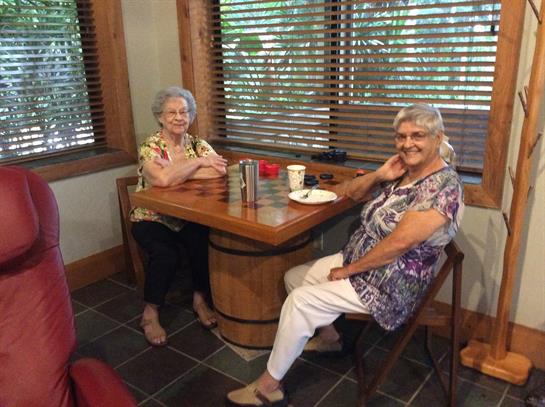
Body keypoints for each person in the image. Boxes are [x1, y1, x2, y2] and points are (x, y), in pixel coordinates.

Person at [225, 104, 465, 406]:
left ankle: (268, 387)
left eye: (417, 136)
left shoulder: (444, 186)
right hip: (360, 262)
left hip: (391, 282)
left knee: (300, 302)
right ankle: (331, 340)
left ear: (437, 137)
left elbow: (400, 243)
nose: (407, 144)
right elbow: (350, 192)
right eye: (400, 137)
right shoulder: (404, 172)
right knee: (295, 278)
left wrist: (348, 271)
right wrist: (379, 174)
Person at [130, 86, 228, 346]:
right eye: (171, 112)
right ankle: (150, 312)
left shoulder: (198, 143)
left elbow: (219, 171)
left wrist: (175, 171)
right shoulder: (151, 146)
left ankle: (199, 299)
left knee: (203, 242)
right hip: (151, 217)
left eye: (184, 111)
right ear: (160, 117)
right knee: (166, 253)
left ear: (191, 115)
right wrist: (197, 163)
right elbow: (160, 179)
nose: (178, 117)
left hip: (188, 216)